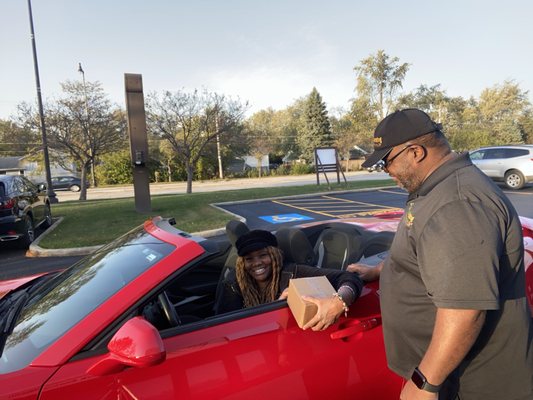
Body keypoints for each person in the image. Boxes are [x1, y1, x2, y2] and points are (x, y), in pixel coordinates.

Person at [347, 108, 533, 400]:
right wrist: (384, 270)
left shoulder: (456, 204)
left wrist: (425, 384)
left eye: (386, 161)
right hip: (454, 374)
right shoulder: (434, 189)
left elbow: (464, 312)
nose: (385, 170)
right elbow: (429, 254)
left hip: (473, 382)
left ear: (416, 152)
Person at [215, 229, 363, 331]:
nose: (257, 263)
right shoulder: (235, 282)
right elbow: (224, 327)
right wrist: (278, 304)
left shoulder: (293, 272)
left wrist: (339, 302)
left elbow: (347, 277)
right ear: (242, 263)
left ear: (275, 254)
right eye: (249, 259)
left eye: (263, 255)